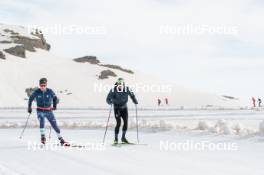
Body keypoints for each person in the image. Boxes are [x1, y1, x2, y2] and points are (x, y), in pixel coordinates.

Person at [28, 78, 68, 146]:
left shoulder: (50, 91)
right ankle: (43, 137)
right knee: (42, 121)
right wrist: (29, 107)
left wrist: (55, 106)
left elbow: (55, 98)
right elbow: (31, 98)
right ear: (39, 85)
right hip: (40, 111)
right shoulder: (37, 92)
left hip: (49, 111)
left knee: (55, 125)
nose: (42, 87)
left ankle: (61, 139)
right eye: (41, 85)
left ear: (46, 85)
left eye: (44, 85)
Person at [106, 78, 138, 144]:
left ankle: (123, 138)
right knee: (119, 123)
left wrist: (135, 101)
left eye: (121, 84)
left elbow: (132, 95)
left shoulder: (127, 89)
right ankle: (116, 139)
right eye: (119, 84)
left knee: (126, 123)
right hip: (117, 108)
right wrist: (110, 101)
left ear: (123, 84)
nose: (120, 85)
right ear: (117, 84)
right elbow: (107, 99)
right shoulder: (113, 90)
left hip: (124, 108)